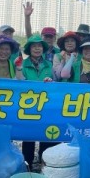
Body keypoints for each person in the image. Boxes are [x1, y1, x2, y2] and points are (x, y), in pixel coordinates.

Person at [17, 35, 54, 170]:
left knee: (45, 134)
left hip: (46, 105)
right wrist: (19, 70)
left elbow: (56, 83)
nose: (37, 49)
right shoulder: (23, 65)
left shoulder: (49, 65)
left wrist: (50, 81)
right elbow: (19, 82)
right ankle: (27, 163)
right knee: (28, 135)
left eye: (39, 46)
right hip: (28, 106)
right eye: (34, 46)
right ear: (29, 49)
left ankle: (44, 162)